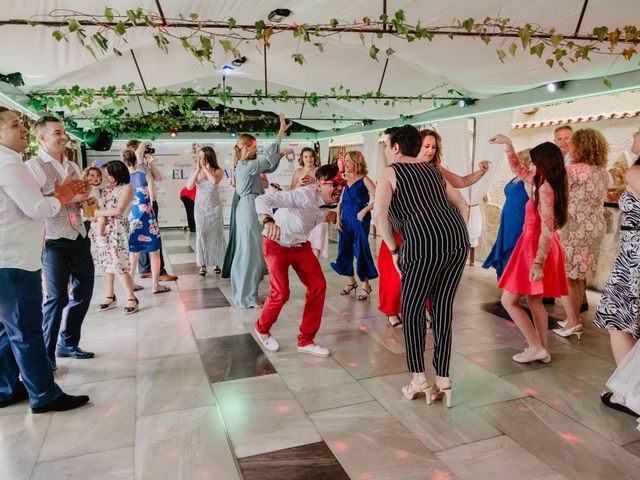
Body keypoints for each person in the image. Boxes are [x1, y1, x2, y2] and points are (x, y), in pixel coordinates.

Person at [0, 107, 90, 413]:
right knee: (27, 328)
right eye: (15, 125)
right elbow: (36, 208)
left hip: (13, 258)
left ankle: (7, 387)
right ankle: (44, 393)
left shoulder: (12, 163)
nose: (22, 129)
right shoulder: (14, 166)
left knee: (8, 330)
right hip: (15, 260)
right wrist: (62, 196)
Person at [374, 125, 469, 407]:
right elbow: (461, 203)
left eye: (386, 146)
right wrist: (451, 233)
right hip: (456, 241)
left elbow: (380, 216)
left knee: (412, 310)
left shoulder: (390, 172)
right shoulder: (433, 170)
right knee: (442, 308)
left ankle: (419, 379)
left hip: (421, 244)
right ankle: (443, 378)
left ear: (395, 147)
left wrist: (393, 250)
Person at [378, 129, 488, 327]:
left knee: (428, 277)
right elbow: (382, 205)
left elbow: (462, 183)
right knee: (396, 277)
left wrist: (481, 172)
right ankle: (394, 311)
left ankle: (425, 312)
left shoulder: (435, 169)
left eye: (433, 147)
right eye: (426, 146)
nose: (429, 151)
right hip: (402, 229)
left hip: (429, 233)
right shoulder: (394, 170)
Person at [489, 134, 569, 364]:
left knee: (508, 301)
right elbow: (518, 170)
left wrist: (538, 262)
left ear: (543, 163)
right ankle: (542, 349)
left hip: (534, 248)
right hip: (531, 244)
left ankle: (534, 346)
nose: (530, 165)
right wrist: (508, 146)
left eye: (534, 162)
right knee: (534, 301)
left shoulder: (545, 189)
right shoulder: (540, 180)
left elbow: (546, 228)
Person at [26, 116, 96, 369]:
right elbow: (31, 203)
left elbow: (77, 197)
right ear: (41, 137)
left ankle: (67, 342)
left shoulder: (73, 166)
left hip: (79, 235)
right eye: (57, 133)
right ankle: (46, 357)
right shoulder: (33, 167)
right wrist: (61, 195)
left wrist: (85, 199)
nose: (63, 137)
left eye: (64, 132)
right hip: (53, 240)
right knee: (56, 298)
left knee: (84, 291)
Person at [253, 164, 343, 356]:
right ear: (319, 185)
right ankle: (261, 328)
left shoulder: (333, 198)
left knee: (318, 286)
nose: (339, 188)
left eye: (341, 183)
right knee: (281, 293)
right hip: (276, 244)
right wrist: (268, 220)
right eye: (335, 183)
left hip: (301, 246)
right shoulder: (302, 195)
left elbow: (320, 213)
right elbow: (262, 199)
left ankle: (306, 340)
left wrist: (331, 216)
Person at [593, 126, 640, 417]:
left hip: (635, 259)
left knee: (619, 322)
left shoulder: (635, 172)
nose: (634, 134)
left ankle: (629, 395)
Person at [231, 113, 291, 308]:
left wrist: (278, 156)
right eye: (255, 146)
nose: (257, 149)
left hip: (251, 207)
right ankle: (247, 297)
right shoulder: (245, 166)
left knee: (251, 252)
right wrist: (280, 133)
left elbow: (270, 166)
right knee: (252, 253)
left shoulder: (247, 165)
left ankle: (246, 295)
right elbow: (266, 161)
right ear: (246, 147)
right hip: (249, 208)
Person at [553, 128, 609, 339]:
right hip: (593, 227)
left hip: (573, 227)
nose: (571, 147)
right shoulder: (602, 172)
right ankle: (572, 317)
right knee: (577, 277)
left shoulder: (573, 170)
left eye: (573, 143)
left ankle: (574, 322)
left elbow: (558, 194)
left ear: (580, 146)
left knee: (568, 275)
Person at [90, 160, 139, 315]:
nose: (106, 177)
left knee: (119, 265)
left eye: (108, 174)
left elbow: (119, 210)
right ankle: (110, 296)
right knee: (105, 264)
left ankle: (132, 298)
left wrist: (97, 214)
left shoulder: (127, 188)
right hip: (101, 230)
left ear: (116, 173)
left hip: (117, 230)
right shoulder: (104, 189)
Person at [126, 140, 177, 282]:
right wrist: (144, 143)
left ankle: (146, 269)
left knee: (142, 236)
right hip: (145, 205)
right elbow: (138, 152)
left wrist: (151, 163)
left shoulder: (142, 165)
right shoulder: (137, 163)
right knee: (152, 238)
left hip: (143, 205)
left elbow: (159, 178)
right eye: (144, 150)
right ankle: (158, 271)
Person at [331, 151, 378, 300]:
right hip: (345, 220)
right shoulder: (344, 179)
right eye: (345, 161)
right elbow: (340, 201)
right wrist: (338, 218)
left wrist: (365, 210)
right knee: (344, 250)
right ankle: (351, 282)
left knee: (361, 251)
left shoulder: (364, 179)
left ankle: (366, 285)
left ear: (357, 162)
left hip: (360, 219)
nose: (346, 164)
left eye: (349, 161)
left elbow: (380, 198)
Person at [122, 149, 170, 294]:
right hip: (147, 214)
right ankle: (156, 285)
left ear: (124, 162)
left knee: (133, 252)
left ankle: (130, 283)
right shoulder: (145, 174)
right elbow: (153, 196)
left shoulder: (124, 178)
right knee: (154, 251)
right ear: (137, 161)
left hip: (132, 215)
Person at [482, 149, 532, 279]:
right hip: (508, 217)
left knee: (514, 245)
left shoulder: (530, 178)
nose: (515, 163)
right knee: (506, 242)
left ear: (525, 161)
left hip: (520, 217)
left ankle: (514, 279)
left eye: (519, 159)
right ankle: (506, 276)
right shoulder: (516, 177)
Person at [186, 146, 226, 276]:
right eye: (199, 156)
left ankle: (216, 262)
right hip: (200, 208)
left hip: (215, 208)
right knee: (201, 234)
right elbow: (189, 186)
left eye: (202, 156)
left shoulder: (218, 170)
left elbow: (214, 181)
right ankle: (202, 265)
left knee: (216, 235)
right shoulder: (195, 170)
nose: (200, 159)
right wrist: (198, 170)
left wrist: (204, 169)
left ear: (209, 157)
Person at [290, 147, 329, 258]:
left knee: (318, 234)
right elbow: (291, 189)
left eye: (311, 156)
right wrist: (298, 184)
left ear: (314, 158)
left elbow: (326, 187)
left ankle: (315, 261)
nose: (309, 159)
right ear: (302, 158)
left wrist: (314, 181)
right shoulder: (298, 171)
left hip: (317, 207)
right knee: (306, 238)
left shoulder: (319, 170)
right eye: (306, 157)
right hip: (302, 208)